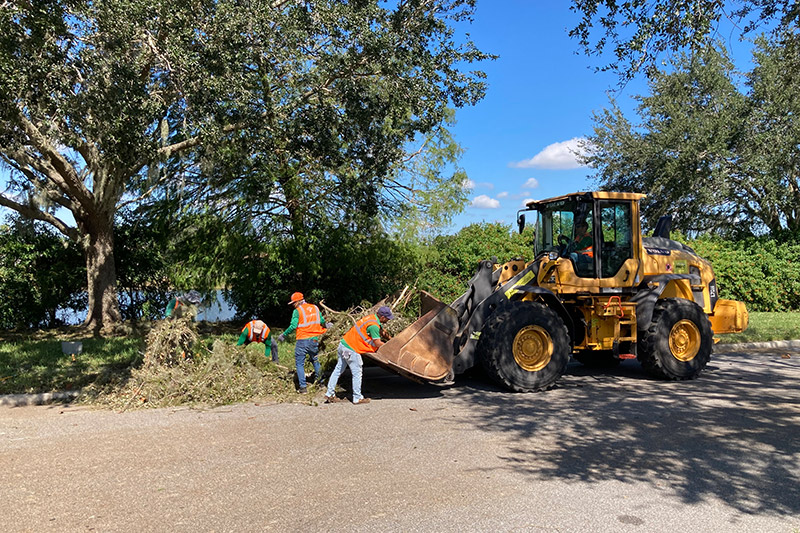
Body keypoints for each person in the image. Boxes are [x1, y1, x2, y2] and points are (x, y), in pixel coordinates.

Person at [325, 305, 395, 405]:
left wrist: (392, 340)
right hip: (352, 349)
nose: (388, 320)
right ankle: (357, 398)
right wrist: (390, 347)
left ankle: (329, 393)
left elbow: (383, 332)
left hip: (343, 345)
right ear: (382, 317)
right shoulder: (374, 326)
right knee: (357, 372)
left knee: (338, 370)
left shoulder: (371, 318)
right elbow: (377, 343)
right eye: (387, 318)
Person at [276, 292, 330, 393]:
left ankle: (303, 388)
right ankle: (321, 383)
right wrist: (327, 326)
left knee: (299, 364)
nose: (293, 305)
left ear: (298, 302)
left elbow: (293, 326)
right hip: (314, 340)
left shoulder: (297, 311)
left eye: (293, 303)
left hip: (302, 340)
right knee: (315, 360)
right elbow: (321, 320)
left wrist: (284, 335)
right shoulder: (314, 307)